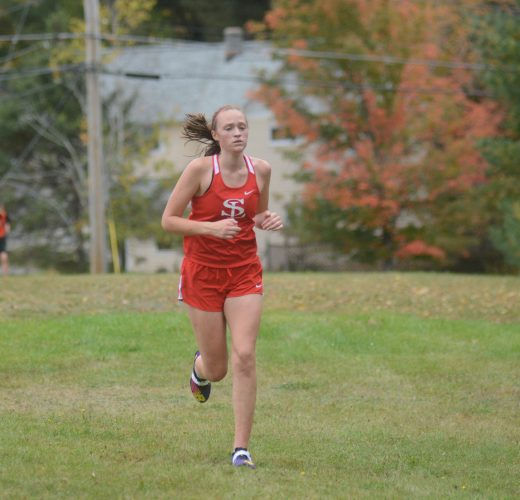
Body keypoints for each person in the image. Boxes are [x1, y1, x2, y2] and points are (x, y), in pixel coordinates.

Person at [161, 105, 283, 469]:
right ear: (216, 135)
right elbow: (168, 221)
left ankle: (240, 448)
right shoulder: (200, 170)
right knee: (218, 369)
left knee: (245, 355)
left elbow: (256, 214)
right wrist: (210, 228)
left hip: (244, 272)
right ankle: (200, 368)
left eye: (242, 127)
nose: (238, 133)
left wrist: (267, 219)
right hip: (202, 273)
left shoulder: (261, 170)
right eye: (229, 128)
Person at [0, 204, 11, 276]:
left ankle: (6, 273)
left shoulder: (4, 215)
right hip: (2, 236)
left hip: (2, 236)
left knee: (4, 255)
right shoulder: (5, 215)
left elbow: (7, 227)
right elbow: (8, 228)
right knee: (4, 254)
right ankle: (6, 274)